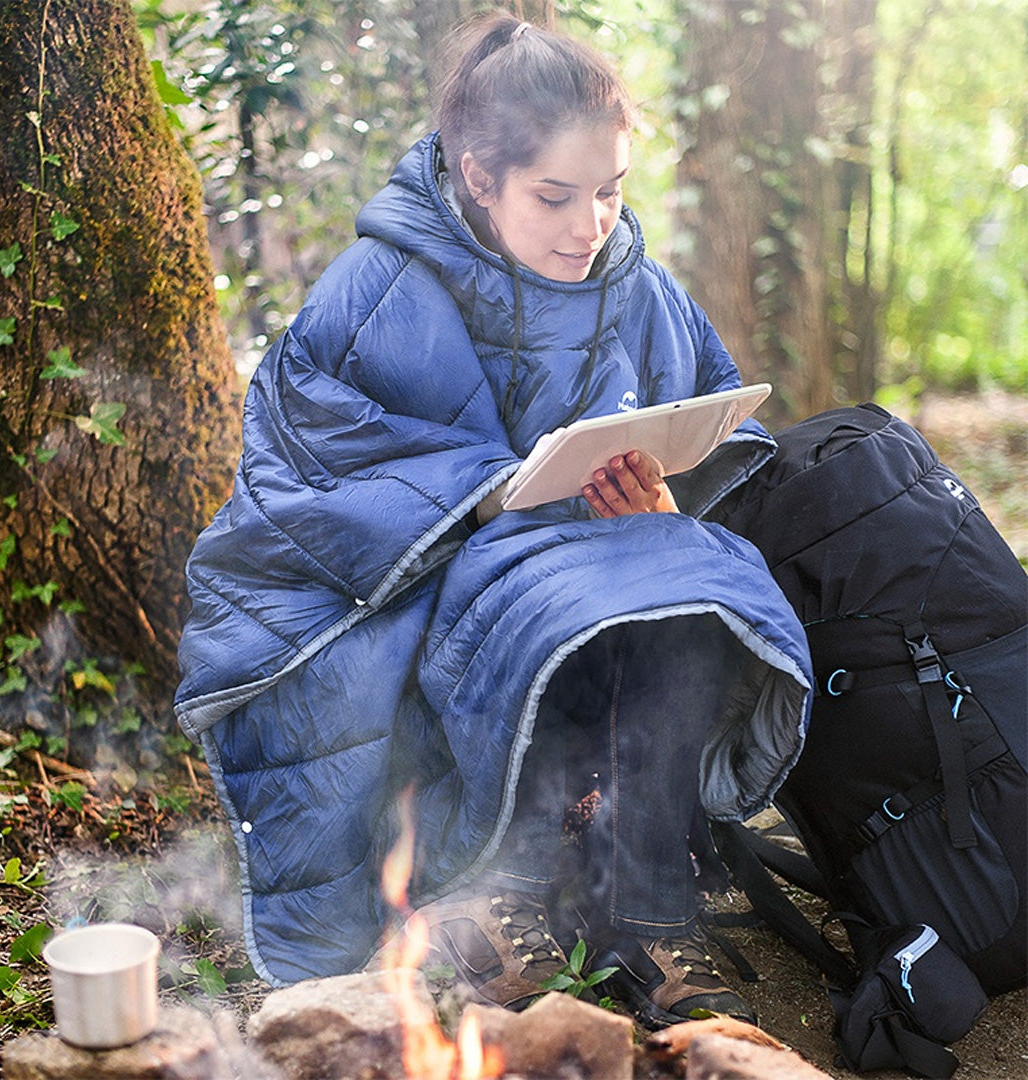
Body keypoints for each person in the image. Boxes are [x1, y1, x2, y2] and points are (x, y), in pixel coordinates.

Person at [175, 13, 812, 1030]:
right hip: (419, 583)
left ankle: (646, 911)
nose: (589, 225)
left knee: (700, 584)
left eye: (610, 192)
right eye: (554, 198)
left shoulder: (636, 288)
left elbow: (697, 438)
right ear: (479, 178)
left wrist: (656, 504)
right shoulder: (374, 288)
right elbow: (306, 469)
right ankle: (496, 890)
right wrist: (476, 496)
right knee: (541, 613)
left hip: (575, 578)